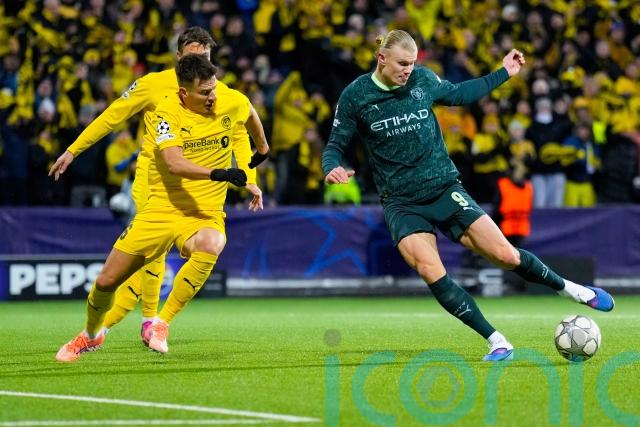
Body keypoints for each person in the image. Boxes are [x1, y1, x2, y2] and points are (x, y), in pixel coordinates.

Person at [322, 29, 615, 362]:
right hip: (401, 203)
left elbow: (461, 94)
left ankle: (573, 290)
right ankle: (496, 340)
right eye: (402, 64)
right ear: (382, 58)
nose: (408, 70)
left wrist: (504, 72)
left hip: (444, 188)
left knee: (506, 256)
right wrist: (332, 167)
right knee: (430, 269)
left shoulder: (422, 81)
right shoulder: (356, 95)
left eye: (412, 63)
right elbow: (334, 146)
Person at [49, 27, 270, 347]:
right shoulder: (154, 85)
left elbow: (240, 130)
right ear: (178, 57)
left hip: (201, 191)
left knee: (188, 249)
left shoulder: (217, 92)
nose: (201, 63)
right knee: (143, 261)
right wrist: (73, 150)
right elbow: (112, 116)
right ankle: (138, 322)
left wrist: (250, 178)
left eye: (206, 57)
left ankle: (149, 322)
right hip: (156, 184)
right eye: (194, 56)